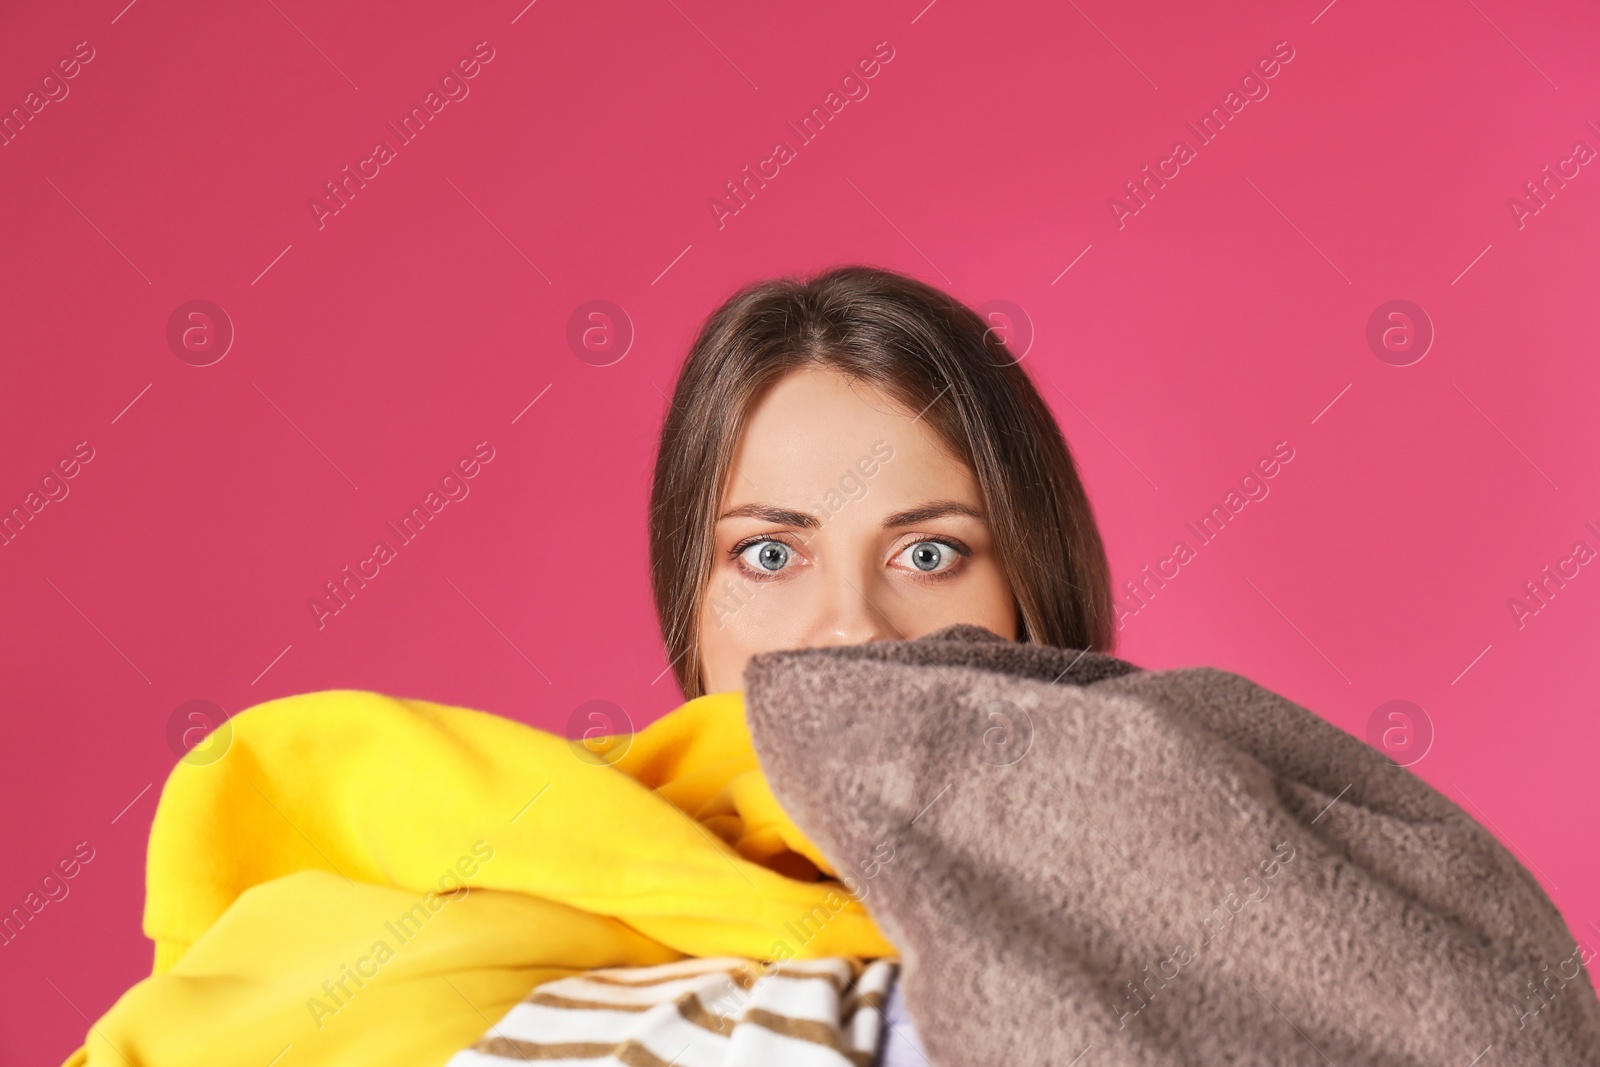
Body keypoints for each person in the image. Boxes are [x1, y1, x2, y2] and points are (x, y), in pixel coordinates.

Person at [647, 264, 1113, 1063]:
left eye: (926, 554)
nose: (853, 626)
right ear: (689, 597)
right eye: (769, 553)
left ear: (1028, 589)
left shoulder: (1185, 872)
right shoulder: (546, 913)